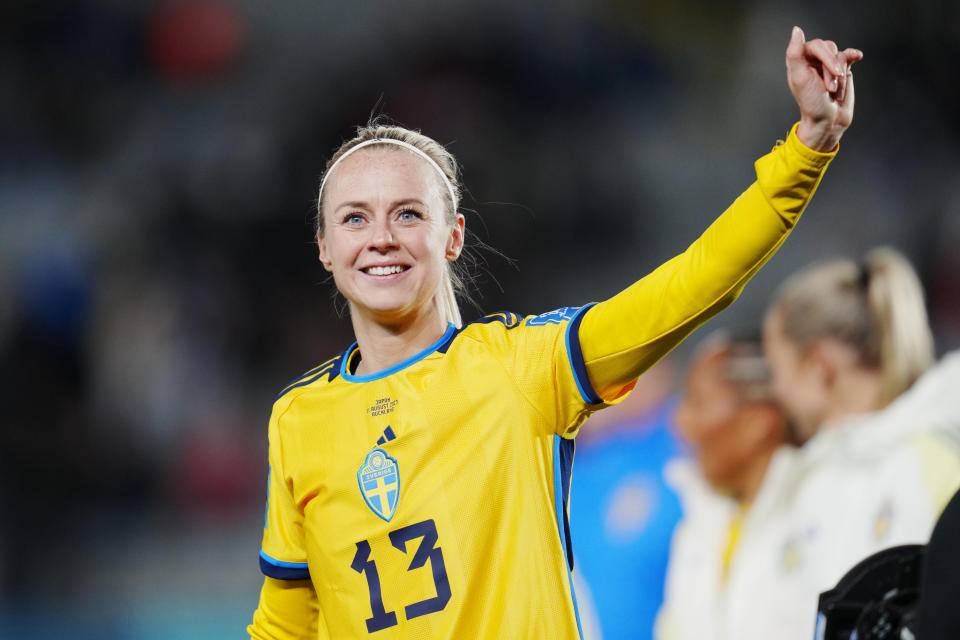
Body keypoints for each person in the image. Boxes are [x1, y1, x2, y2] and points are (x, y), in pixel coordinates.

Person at [247, 27, 862, 639]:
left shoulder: (523, 368)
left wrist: (808, 149)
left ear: (453, 235)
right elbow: (285, 624)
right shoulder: (298, 421)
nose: (381, 238)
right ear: (325, 248)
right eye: (355, 218)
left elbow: (691, 286)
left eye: (408, 214)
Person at [752, 247, 960, 639]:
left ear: (819, 365)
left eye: (777, 369)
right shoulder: (812, 476)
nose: (775, 392)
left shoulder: (940, 451)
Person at [655, 333, 792, 640]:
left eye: (697, 403)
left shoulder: (816, 516)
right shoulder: (697, 526)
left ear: (758, 422)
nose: (680, 421)